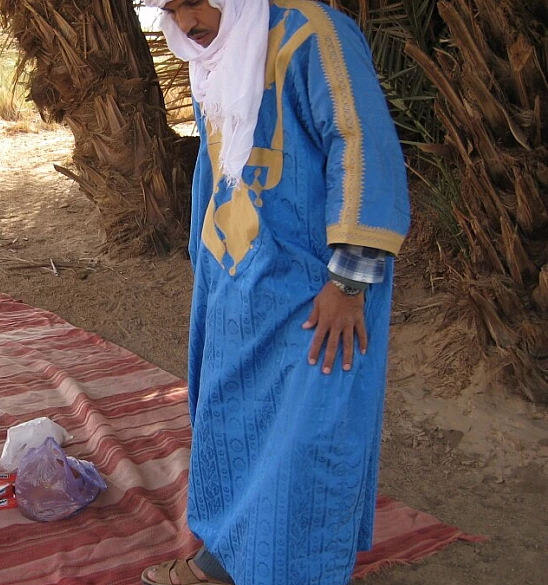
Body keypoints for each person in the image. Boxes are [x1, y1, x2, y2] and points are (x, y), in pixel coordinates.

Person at [140, 1, 410, 584]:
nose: (185, 22)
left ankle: (289, 572)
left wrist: (348, 281)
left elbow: (360, 143)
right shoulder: (215, 54)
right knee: (229, 423)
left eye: (192, 1)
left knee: (303, 443)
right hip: (237, 284)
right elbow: (215, 164)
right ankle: (223, 561)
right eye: (171, 7)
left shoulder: (314, 35)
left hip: (315, 296)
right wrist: (205, 262)